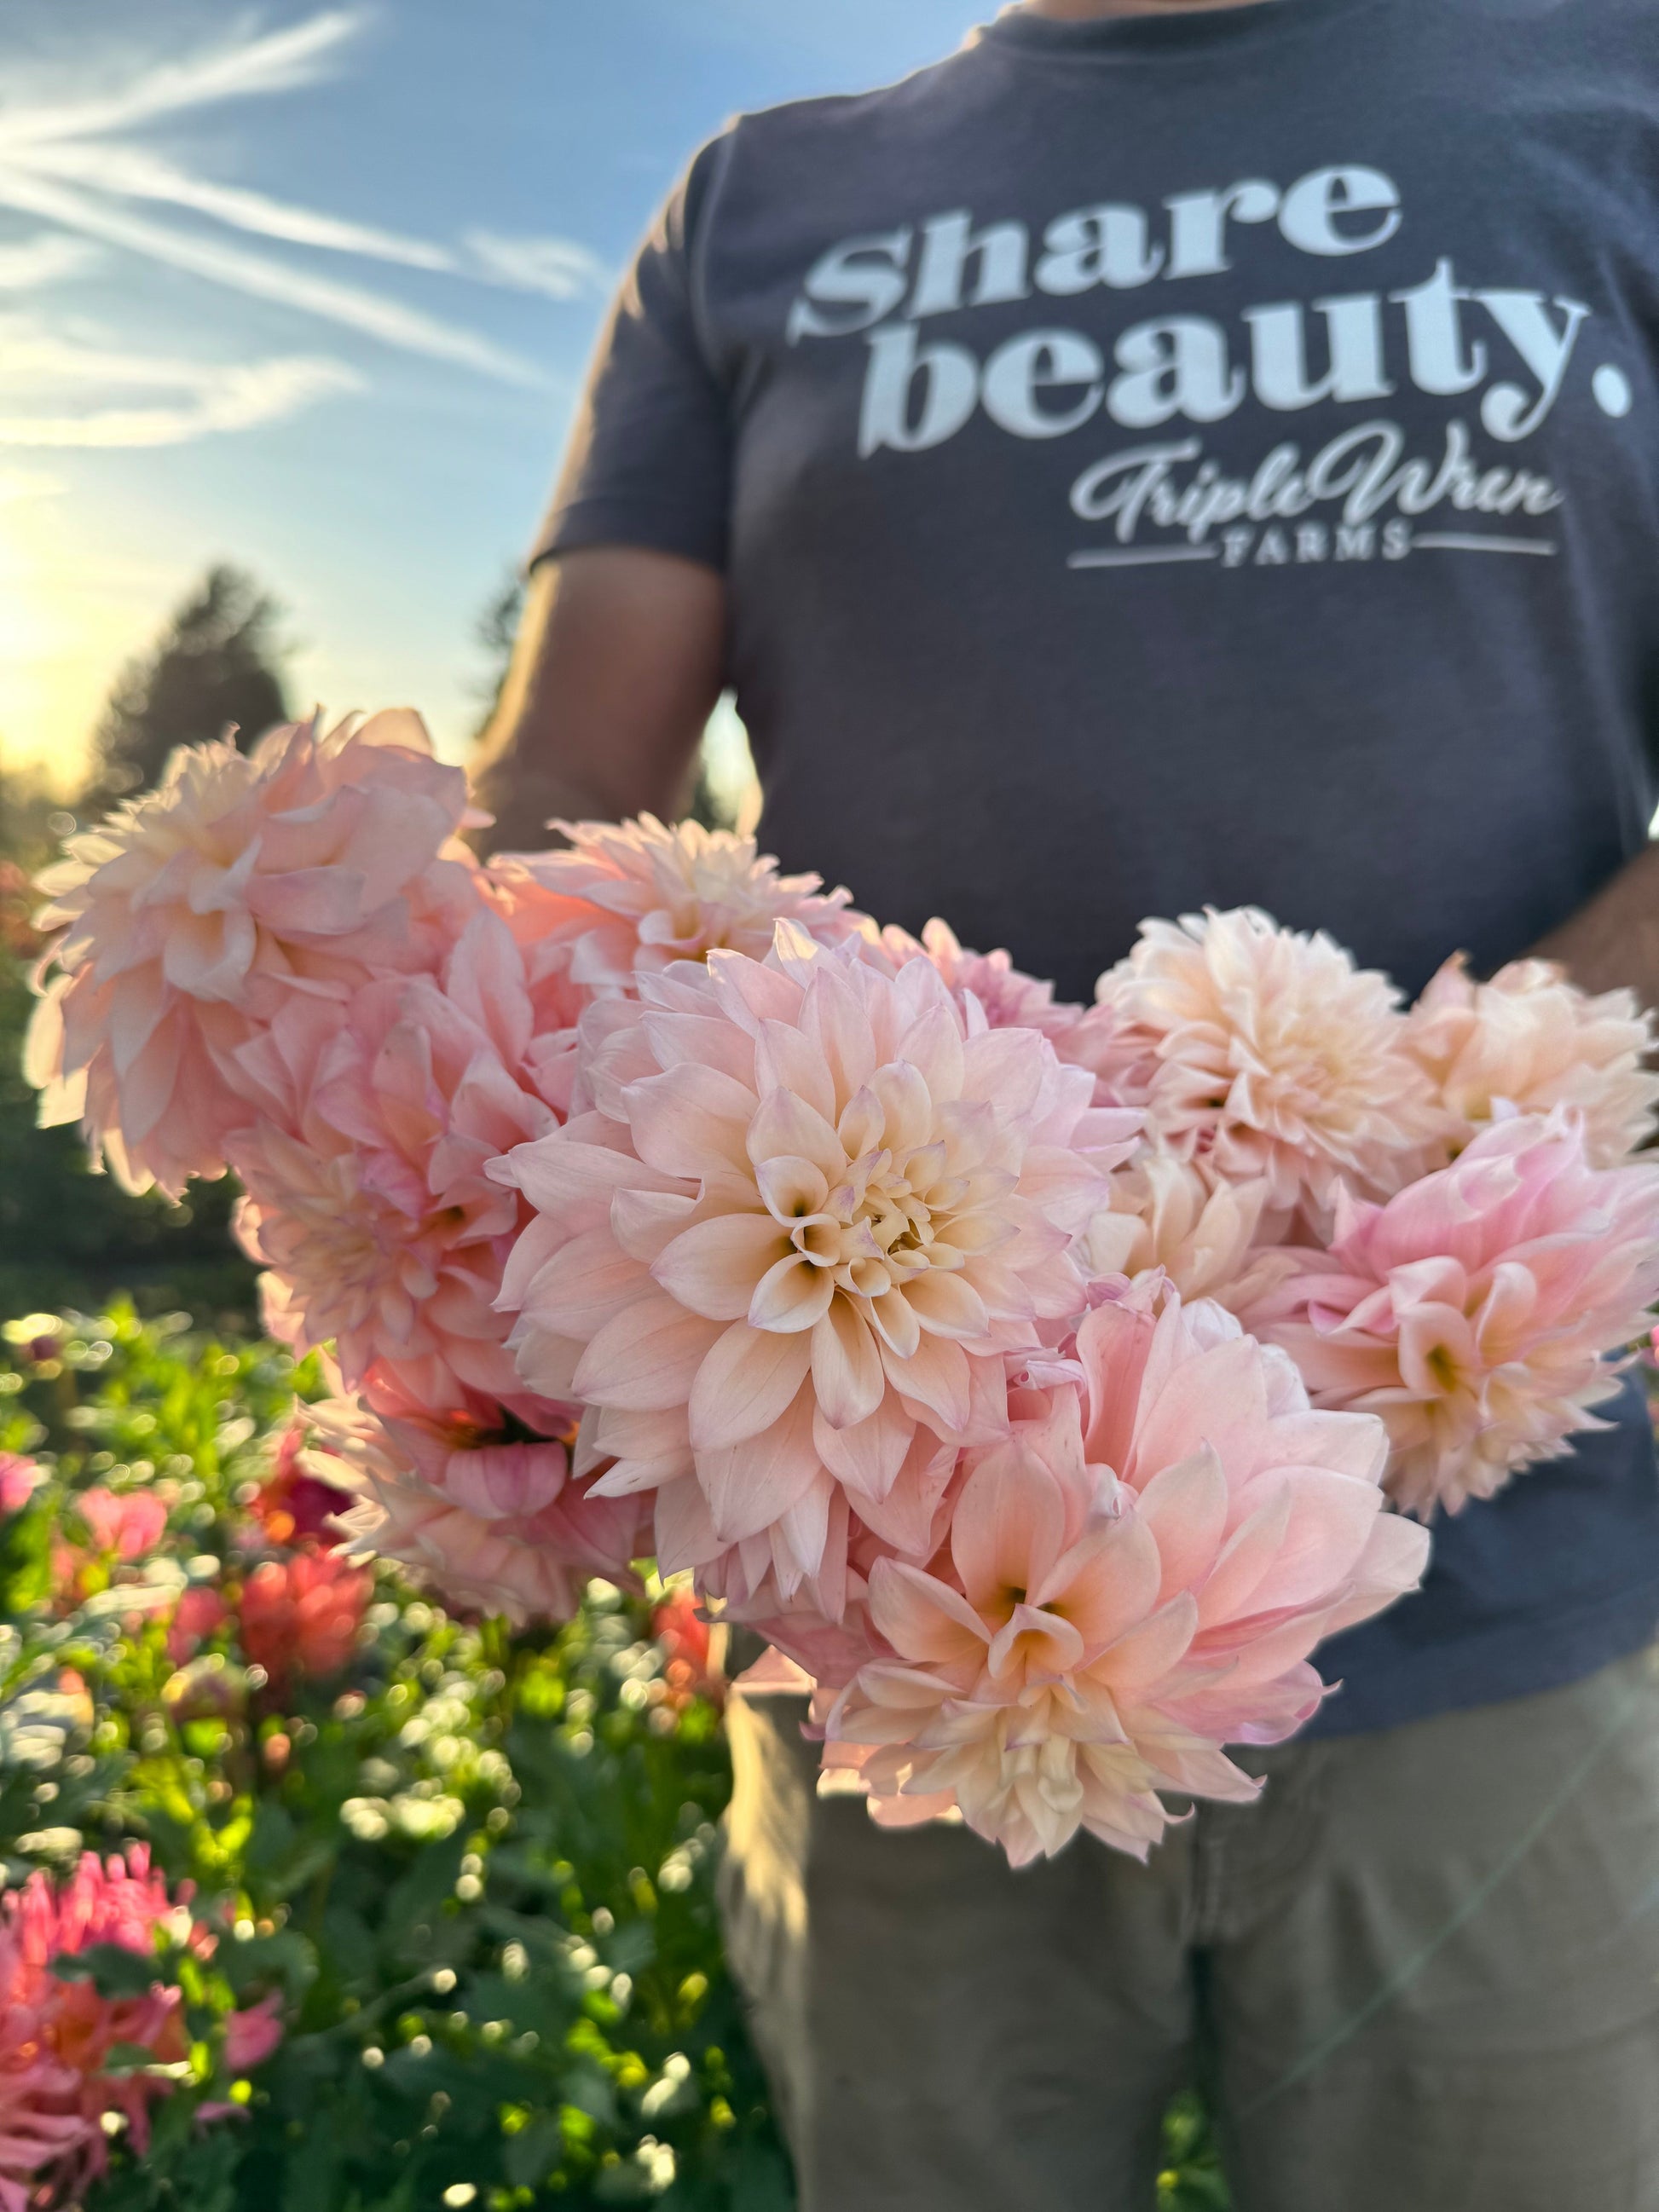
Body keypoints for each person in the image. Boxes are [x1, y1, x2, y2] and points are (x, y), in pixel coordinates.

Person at [471, 0, 1659, 2203]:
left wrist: (1440, 1129)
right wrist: (463, 1253)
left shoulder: (1617, 87)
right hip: (899, 1639)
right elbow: (559, 794)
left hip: (1505, 1625)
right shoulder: (756, 207)